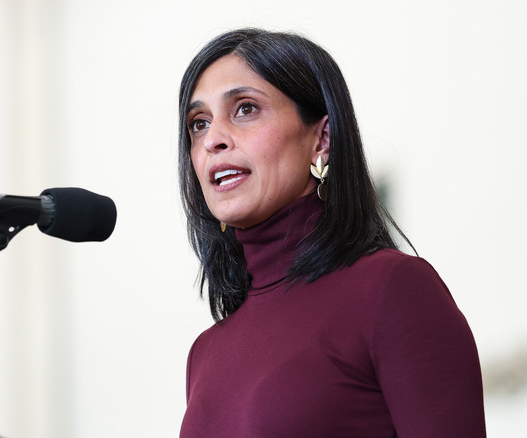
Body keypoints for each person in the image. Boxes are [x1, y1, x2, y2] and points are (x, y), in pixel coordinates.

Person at [177, 28, 486, 437]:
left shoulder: (392, 291)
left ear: (321, 139)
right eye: (199, 124)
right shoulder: (205, 353)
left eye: (246, 109)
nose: (213, 139)